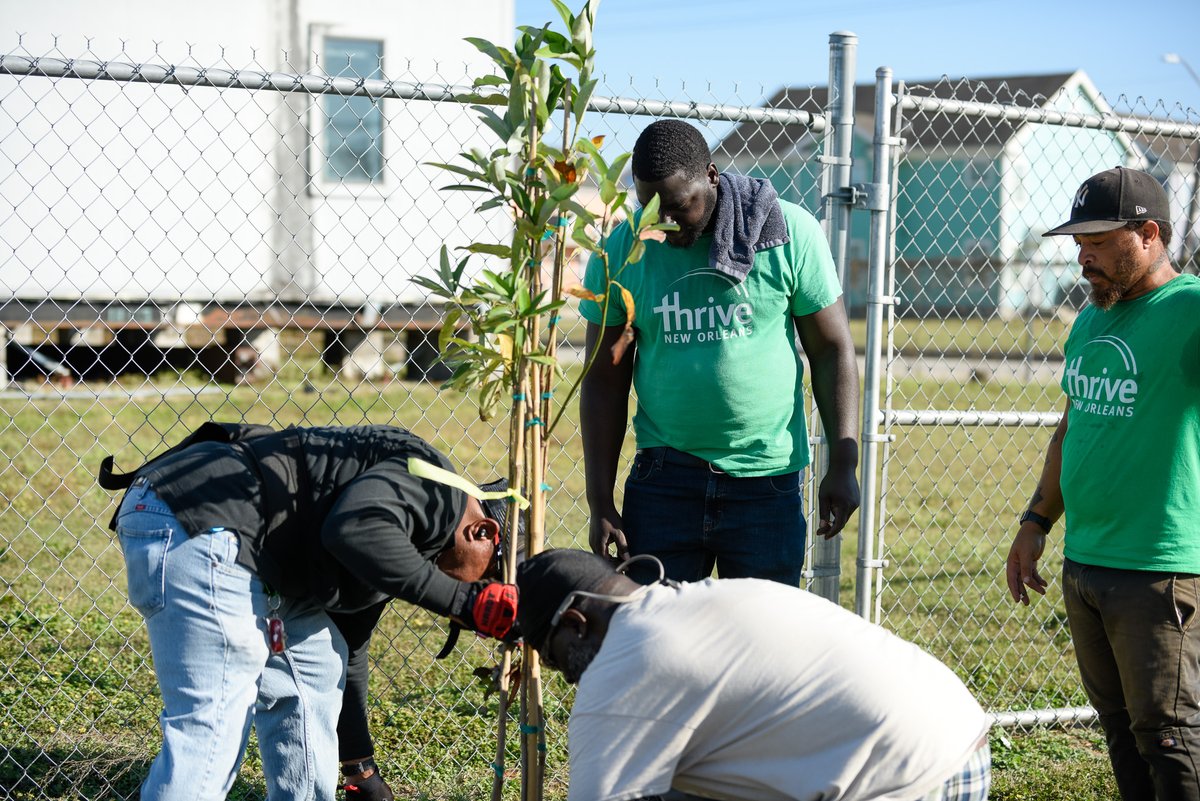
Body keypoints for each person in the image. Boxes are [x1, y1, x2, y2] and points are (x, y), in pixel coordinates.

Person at [98, 422, 521, 801]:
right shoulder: (436, 491)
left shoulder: (410, 538)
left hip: (232, 538)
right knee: (209, 737)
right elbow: (352, 529)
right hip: (197, 519)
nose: (472, 594)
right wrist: (466, 601)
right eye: (489, 580)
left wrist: (361, 768)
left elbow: (349, 652)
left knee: (314, 669)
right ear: (482, 532)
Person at [578, 118, 860, 585]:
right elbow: (604, 380)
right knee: (658, 641)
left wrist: (843, 464)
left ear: (711, 175)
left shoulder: (786, 232)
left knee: (761, 643)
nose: (663, 222)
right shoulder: (622, 252)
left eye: (677, 205)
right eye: (648, 207)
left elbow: (832, 350)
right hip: (665, 480)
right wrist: (600, 501)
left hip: (765, 482)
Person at [1005, 166, 1200, 800]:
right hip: (1085, 564)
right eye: (1078, 242)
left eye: (1099, 241)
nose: (1082, 256)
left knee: (1170, 740)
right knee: (1119, 733)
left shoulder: (1190, 310)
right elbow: (1072, 429)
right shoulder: (1091, 320)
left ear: (1150, 234)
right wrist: (1035, 523)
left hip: (1159, 571)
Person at [516, 548, 992, 801]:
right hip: (956, 737)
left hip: (905, 781)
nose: (566, 678)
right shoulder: (697, 601)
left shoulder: (624, 664)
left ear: (575, 625)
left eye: (554, 659)